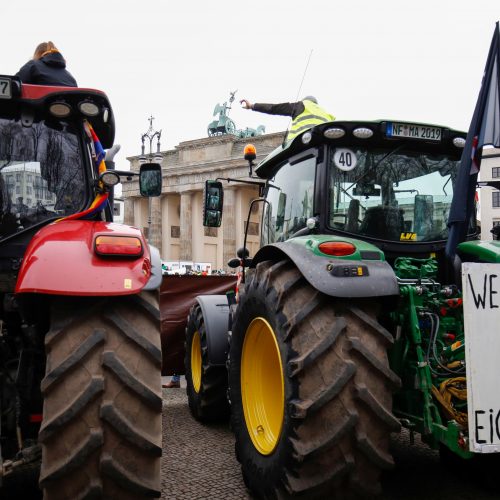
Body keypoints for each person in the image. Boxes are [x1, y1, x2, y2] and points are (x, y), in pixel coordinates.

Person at [240, 96, 334, 142]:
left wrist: (252, 106)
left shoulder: (302, 105)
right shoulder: (328, 114)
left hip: (300, 143)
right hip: (323, 145)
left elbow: (273, 108)